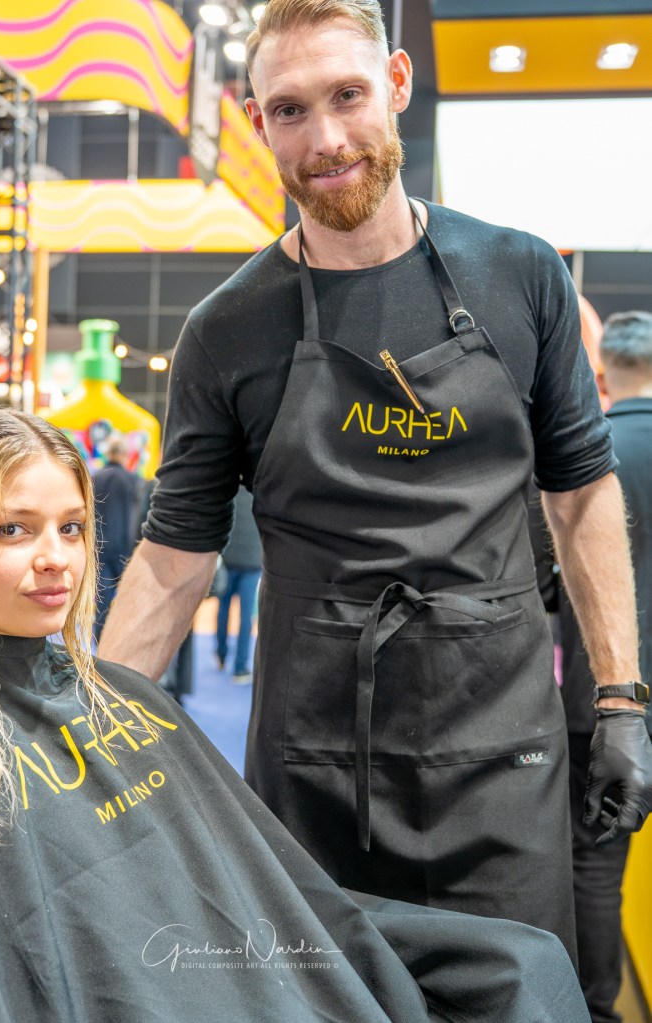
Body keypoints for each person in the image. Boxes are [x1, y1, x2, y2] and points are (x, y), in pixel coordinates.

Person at [97, 0, 652, 960]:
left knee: (520, 993)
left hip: (505, 752)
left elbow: (579, 494)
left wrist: (619, 699)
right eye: (290, 109)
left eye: (346, 95)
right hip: (314, 763)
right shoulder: (227, 329)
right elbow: (173, 555)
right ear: (257, 120)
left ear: (396, 84)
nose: (325, 139)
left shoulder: (520, 275)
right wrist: (86, 740)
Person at [0, 408, 590, 1023]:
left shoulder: (126, 697)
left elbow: (260, 885)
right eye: (13, 529)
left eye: (71, 527)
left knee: (516, 966)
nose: (56, 556)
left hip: (251, 978)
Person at [557, 311, 652, 1023]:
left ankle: (596, 1010)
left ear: (602, 374)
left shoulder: (585, 454)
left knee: (594, 863)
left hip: (604, 698)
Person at [92, 433, 140, 642]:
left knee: (101, 604)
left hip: (100, 548)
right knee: (128, 602)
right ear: (123, 455)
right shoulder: (133, 480)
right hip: (126, 550)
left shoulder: (95, 479)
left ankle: (100, 644)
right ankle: (123, 643)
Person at [216, 487, 263, 683]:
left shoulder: (229, 488)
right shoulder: (260, 489)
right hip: (252, 561)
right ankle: (240, 668)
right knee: (246, 615)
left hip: (229, 558)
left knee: (224, 607)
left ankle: (221, 654)